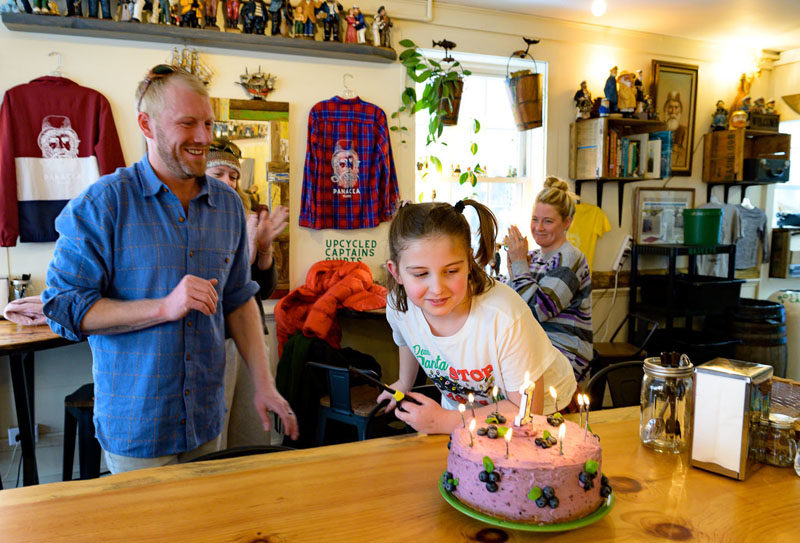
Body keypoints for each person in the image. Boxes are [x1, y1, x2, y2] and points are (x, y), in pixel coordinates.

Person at [41, 64, 298, 474]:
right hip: (138, 428)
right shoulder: (104, 204)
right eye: (187, 123)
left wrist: (263, 382)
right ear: (146, 123)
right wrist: (163, 307)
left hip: (206, 420)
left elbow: (239, 299)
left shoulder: (229, 205)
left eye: (209, 123)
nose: (203, 137)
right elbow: (64, 307)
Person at [378, 200, 577, 435]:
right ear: (396, 272)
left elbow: (526, 410)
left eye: (451, 271)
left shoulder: (503, 314)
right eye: (421, 274)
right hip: (465, 418)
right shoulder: (399, 307)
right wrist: (404, 381)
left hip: (546, 415)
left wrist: (444, 421)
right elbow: (408, 339)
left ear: (469, 263)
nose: (437, 288)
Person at [205, 137, 289, 448]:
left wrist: (264, 250)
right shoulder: (198, 216)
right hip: (218, 338)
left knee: (252, 434)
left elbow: (262, 289)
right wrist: (252, 249)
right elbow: (221, 284)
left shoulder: (245, 212)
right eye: (218, 175)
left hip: (253, 336)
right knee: (218, 437)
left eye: (233, 175)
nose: (228, 182)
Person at [504, 178, 594, 384]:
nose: (538, 227)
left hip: (566, 353)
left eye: (548, 221)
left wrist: (519, 266)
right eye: (535, 219)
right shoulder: (533, 257)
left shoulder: (570, 259)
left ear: (567, 222)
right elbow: (515, 306)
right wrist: (513, 272)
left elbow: (537, 310)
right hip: (538, 347)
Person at [662, 90, 687, 167]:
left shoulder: (684, 131)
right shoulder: (658, 128)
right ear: (665, 109)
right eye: (670, 107)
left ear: (680, 111)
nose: (673, 112)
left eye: (676, 108)